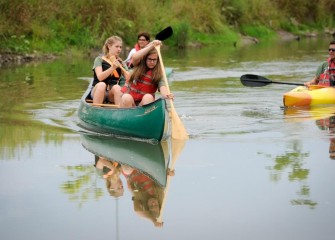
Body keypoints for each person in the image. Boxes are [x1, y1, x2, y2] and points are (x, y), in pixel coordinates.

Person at [120, 40, 174, 108]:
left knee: (148, 97)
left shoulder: (158, 74)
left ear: (157, 60)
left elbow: (163, 88)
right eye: (149, 59)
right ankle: (128, 116)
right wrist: (152, 45)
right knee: (126, 97)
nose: (152, 62)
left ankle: (144, 117)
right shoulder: (138, 65)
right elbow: (135, 57)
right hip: (131, 104)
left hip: (144, 105)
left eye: (154, 60)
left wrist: (167, 95)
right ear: (145, 59)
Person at [91, 36, 130, 105]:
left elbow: (129, 78)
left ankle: (120, 112)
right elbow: (100, 77)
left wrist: (123, 68)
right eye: (117, 46)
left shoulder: (121, 63)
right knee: (101, 85)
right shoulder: (99, 59)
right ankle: (96, 109)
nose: (119, 49)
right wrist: (113, 67)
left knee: (117, 87)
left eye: (120, 47)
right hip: (98, 91)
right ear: (109, 46)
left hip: (110, 93)